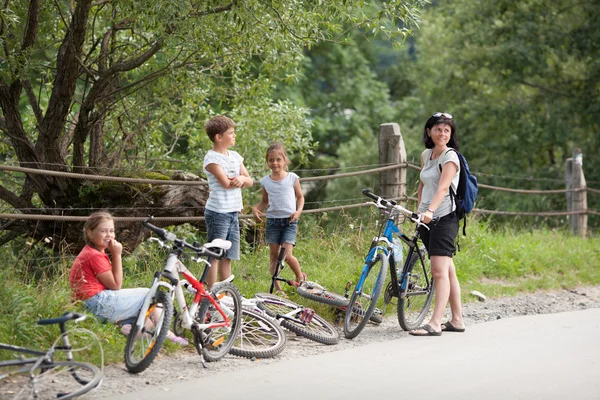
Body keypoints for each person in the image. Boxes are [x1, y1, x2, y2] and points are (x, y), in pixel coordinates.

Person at [69, 211, 188, 345]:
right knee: (152, 293)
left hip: (90, 304)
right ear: (90, 233)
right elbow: (116, 285)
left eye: (111, 231)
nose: (109, 235)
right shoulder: (94, 256)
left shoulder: (92, 251)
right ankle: (166, 334)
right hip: (97, 303)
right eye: (103, 231)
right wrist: (117, 255)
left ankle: (132, 329)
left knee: (146, 301)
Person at [409, 112, 466, 336]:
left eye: (446, 130)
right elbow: (423, 184)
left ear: (450, 135)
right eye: (438, 129)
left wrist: (431, 211)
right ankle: (458, 320)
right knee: (448, 270)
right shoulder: (427, 154)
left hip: (444, 217)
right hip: (427, 217)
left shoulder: (450, 157)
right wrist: (419, 209)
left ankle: (434, 323)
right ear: (429, 131)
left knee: (438, 272)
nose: (442, 133)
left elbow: (443, 188)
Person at [203, 115, 253, 288]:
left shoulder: (235, 156)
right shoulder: (212, 159)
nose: (234, 136)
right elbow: (225, 182)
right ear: (219, 137)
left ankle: (225, 292)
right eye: (231, 133)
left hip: (233, 212)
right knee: (215, 254)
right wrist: (240, 180)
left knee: (228, 255)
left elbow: (249, 180)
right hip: (218, 213)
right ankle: (210, 293)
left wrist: (240, 178)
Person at [252, 143, 306, 296]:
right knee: (274, 256)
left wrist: (298, 211)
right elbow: (265, 201)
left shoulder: (292, 178)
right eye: (271, 160)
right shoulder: (265, 181)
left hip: (289, 221)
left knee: (286, 256)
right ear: (267, 161)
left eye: (278, 159)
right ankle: (278, 289)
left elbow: (300, 197)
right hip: (273, 222)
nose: (274, 163)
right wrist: (256, 209)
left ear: (284, 160)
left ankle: (299, 276)